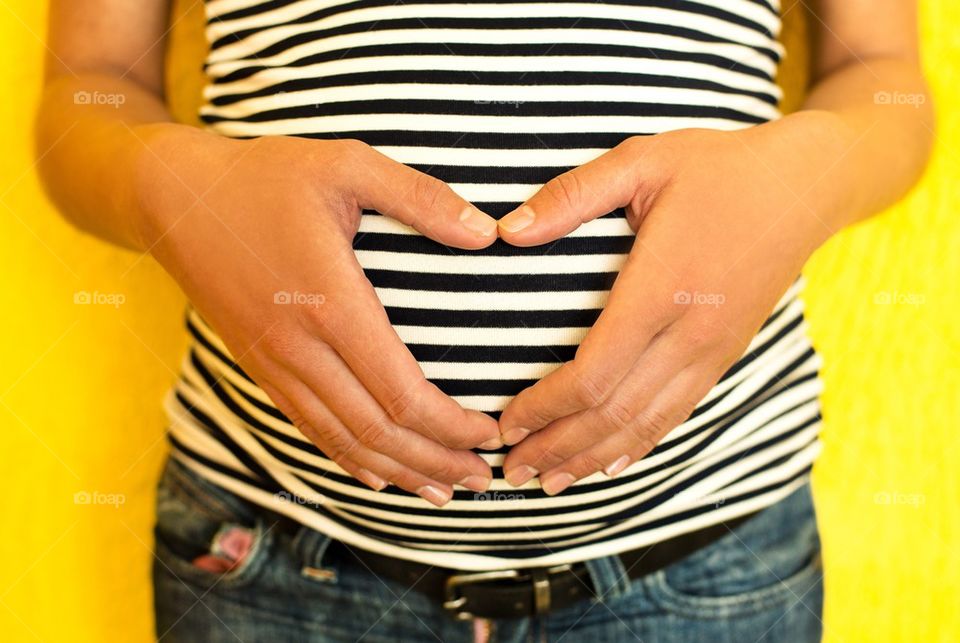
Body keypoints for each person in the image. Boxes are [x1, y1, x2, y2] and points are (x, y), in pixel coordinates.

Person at [36, 1, 932, 641]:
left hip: (708, 548)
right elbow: (92, 85)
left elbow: (881, 80)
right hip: (274, 548)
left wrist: (801, 178)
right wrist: (180, 193)